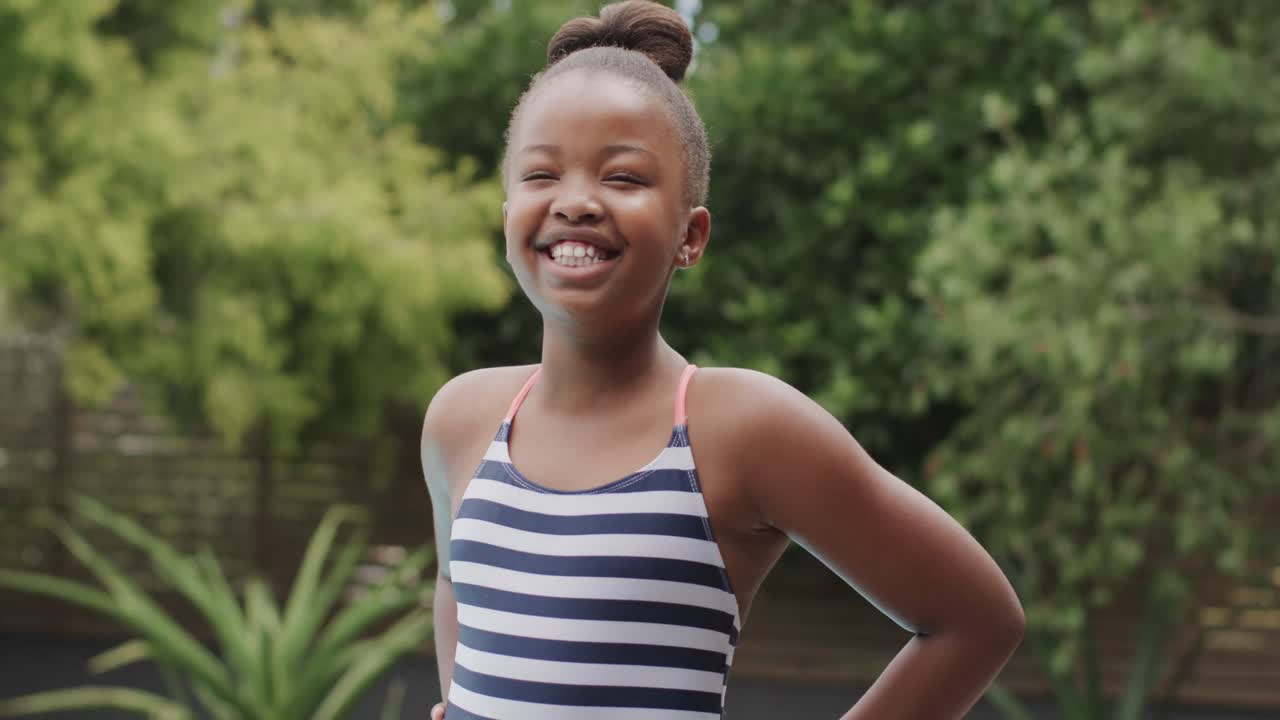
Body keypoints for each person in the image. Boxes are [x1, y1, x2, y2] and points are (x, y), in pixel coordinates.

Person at [422, 2, 1024, 717]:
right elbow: (459, 584)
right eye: (541, 175)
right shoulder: (460, 419)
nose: (576, 202)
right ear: (507, 214)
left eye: (623, 178)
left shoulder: (740, 429)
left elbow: (977, 620)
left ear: (691, 235)